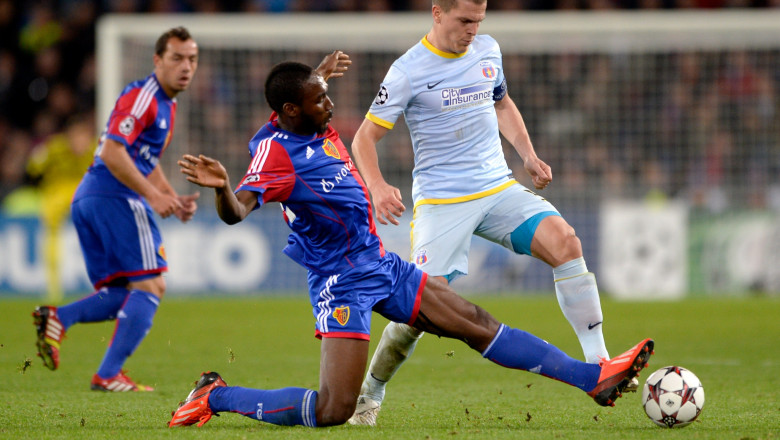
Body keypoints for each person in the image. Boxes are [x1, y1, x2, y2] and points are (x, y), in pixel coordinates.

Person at [167, 60, 653, 429]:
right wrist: (221, 187)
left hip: (380, 264)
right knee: (335, 409)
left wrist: (317, 75)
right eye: (320, 99)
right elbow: (238, 213)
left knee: (476, 323)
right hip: (342, 284)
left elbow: (296, 97)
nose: (330, 105)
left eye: (326, 95)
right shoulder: (277, 156)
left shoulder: (306, 121)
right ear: (291, 111)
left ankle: (593, 379)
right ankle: (216, 395)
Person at [348, 0, 624, 425]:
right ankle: (371, 391)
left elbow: (502, 104)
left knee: (566, 241)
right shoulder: (408, 70)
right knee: (419, 312)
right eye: (464, 21)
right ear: (437, 13)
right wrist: (379, 186)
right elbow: (364, 139)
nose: (473, 30)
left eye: (479, 21)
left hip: (496, 187)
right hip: (442, 201)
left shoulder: (488, 50)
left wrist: (528, 155)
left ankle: (601, 364)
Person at [31, 27, 201, 391]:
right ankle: (108, 375)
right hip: (114, 196)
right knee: (152, 285)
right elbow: (112, 150)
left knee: (126, 292)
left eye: (192, 59)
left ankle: (59, 318)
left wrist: (171, 194)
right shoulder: (145, 96)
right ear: (157, 60)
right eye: (177, 58)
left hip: (91, 198)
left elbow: (143, 156)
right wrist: (153, 198)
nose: (186, 66)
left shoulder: (165, 105)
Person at [26, 114, 96, 303]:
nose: (80, 143)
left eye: (84, 138)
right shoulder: (54, 147)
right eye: (77, 137)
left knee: (99, 227)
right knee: (51, 232)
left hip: (82, 191)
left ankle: (103, 279)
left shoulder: (96, 150)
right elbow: (33, 168)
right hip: (56, 192)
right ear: (69, 136)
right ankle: (53, 286)